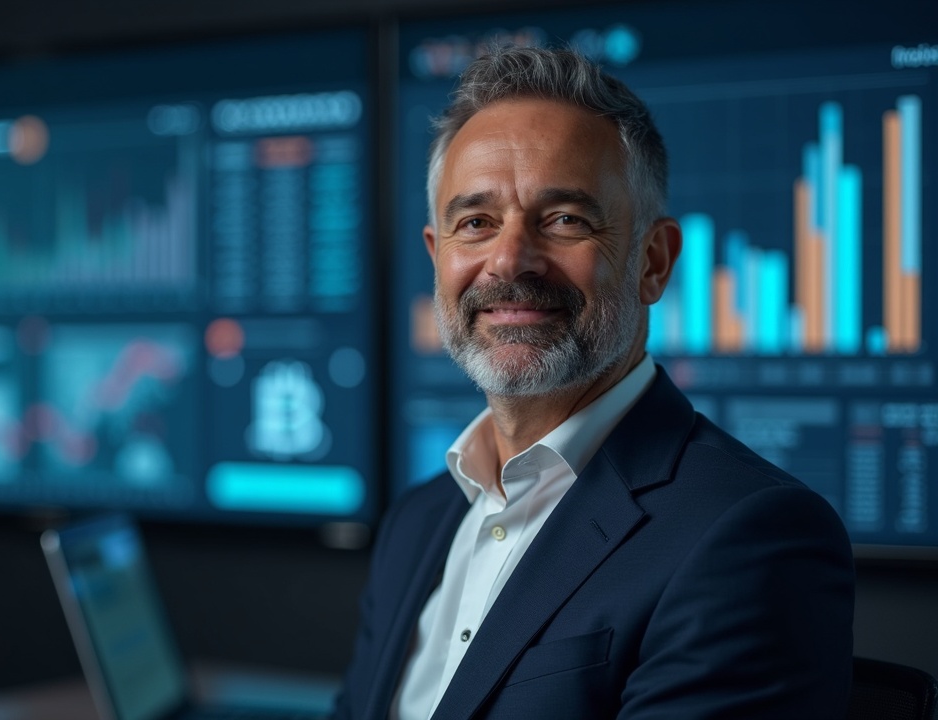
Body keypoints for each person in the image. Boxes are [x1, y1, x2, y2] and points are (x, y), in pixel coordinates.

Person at [332, 45, 855, 719]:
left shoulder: (753, 536)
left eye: (564, 220)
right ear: (438, 257)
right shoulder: (418, 521)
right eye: (476, 223)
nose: (509, 260)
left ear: (653, 262)